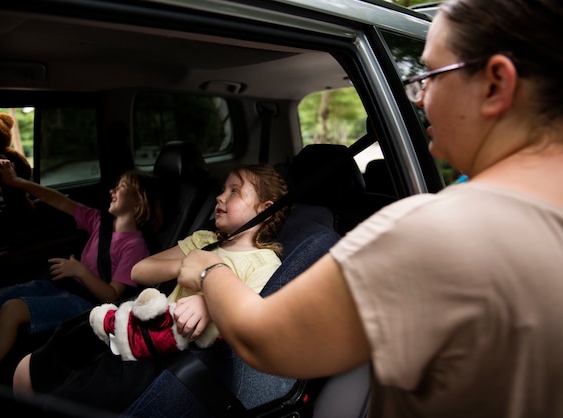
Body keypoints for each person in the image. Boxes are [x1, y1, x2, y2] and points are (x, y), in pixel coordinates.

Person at [176, 0, 563, 416]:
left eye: (429, 75)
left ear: (495, 84)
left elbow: (261, 340)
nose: (418, 97)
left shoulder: (433, 231)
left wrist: (208, 269)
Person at [11, 164, 289, 412]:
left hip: (165, 351)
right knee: (51, 351)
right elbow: (139, 270)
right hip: (139, 324)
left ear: (265, 210)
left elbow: (249, 316)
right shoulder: (205, 240)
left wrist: (209, 302)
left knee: (85, 389)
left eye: (235, 192)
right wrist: (189, 267)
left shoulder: (263, 261)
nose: (220, 196)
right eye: (223, 189)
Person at [0, 160, 164, 381]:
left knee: (12, 309)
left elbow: (112, 295)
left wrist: (79, 271)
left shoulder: (135, 246)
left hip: (86, 305)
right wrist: (17, 181)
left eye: (121, 187)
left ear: (138, 201)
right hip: (60, 288)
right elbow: (57, 200)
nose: (112, 190)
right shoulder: (99, 221)